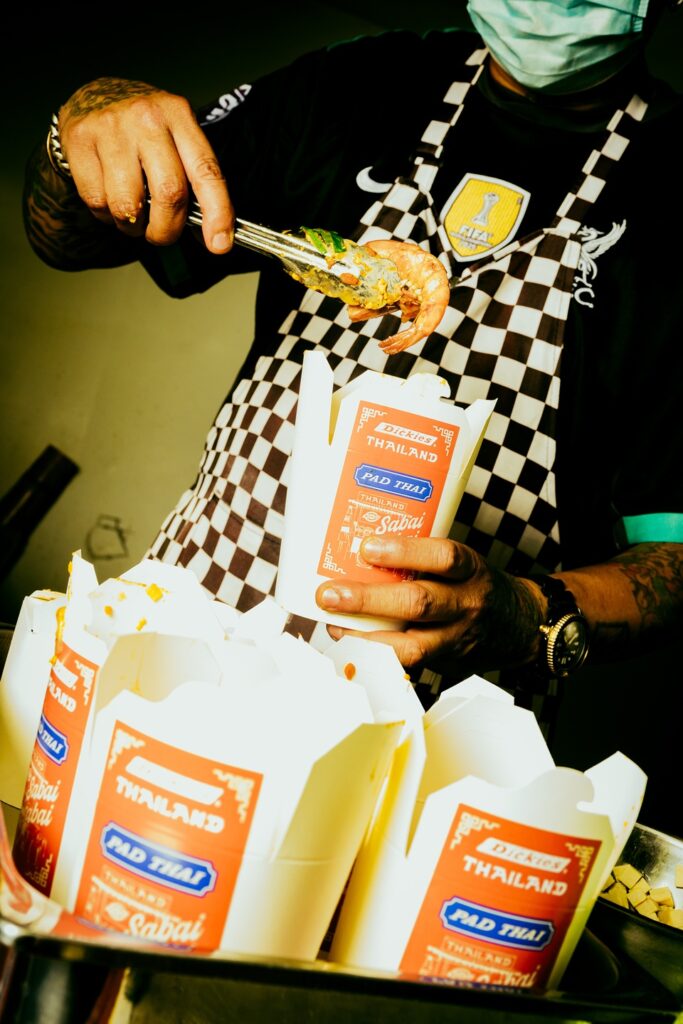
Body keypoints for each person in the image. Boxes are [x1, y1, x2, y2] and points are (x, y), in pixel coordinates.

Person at [24, 3, 683, 820]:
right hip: (181, 663)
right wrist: (80, 133)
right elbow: (69, 236)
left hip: (429, 750)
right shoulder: (358, 86)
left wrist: (523, 618)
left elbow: (674, 555)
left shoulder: (677, 187)